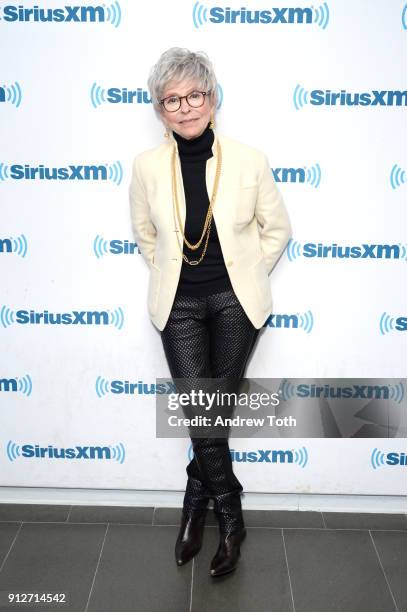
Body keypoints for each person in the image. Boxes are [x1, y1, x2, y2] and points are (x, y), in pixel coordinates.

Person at [129, 47, 291, 577]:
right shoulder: (147, 166)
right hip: (178, 306)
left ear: (213, 98)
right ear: (159, 110)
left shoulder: (249, 159)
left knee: (207, 415)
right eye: (171, 99)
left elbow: (277, 230)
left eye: (194, 95)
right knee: (205, 414)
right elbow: (145, 235)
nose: (185, 107)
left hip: (235, 305)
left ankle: (194, 507)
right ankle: (230, 512)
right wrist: (172, 274)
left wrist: (246, 274)